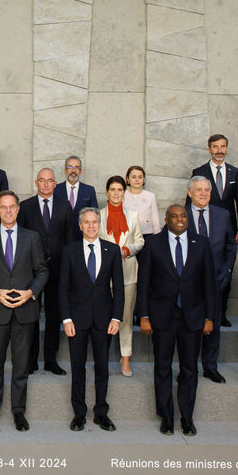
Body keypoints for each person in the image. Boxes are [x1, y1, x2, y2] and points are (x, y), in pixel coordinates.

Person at [136, 204, 217, 436]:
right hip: (162, 316)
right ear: (166, 220)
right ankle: (167, 417)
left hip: (192, 316)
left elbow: (209, 283)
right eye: (174, 216)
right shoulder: (153, 244)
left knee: (189, 368)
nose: (180, 219)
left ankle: (187, 417)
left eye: (183, 216)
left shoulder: (201, 243)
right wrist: (144, 316)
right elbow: (144, 283)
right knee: (162, 367)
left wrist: (210, 317)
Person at [0, 190, 48, 432]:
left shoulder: (32, 237)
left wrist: (31, 292)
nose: (8, 211)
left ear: (18, 209)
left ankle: (18, 412)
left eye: (12, 207)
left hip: (25, 310)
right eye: (3, 207)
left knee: (21, 365)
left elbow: (42, 271)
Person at [59, 208, 124, 432]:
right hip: (76, 320)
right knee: (77, 367)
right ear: (80, 226)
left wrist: (117, 317)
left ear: (100, 224)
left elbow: (119, 288)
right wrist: (66, 318)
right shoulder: (69, 251)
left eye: (94, 222)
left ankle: (101, 413)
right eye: (86, 222)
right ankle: (79, 413)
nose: (91, 226)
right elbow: (63, 288)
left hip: (104, 319)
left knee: (102, 367)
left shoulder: (112, 250)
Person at [18, 167, 75, 376]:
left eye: (50, 180)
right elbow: (21, 240)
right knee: (31, 316)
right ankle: (30, 360)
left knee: (54, 316)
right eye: (42, 180)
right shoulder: (25, 206)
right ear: (36, 182)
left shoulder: (64, 205)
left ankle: (51, 360)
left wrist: (70, 269)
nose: (45, 184)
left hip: (58, 270)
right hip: (32, 271)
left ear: (55, 184)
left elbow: (70, 239)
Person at [185, 177, 237, 384]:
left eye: (207, 189)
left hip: (216, 279)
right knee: (189, 327)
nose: (204, 193)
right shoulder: (180, 215)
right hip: (188, 282)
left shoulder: (222, 215)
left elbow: (231, 245)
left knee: (213, 325)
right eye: (199, 190)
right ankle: (188, 367)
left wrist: (227, 271)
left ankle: (210, 366)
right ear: (190, 193)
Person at [98, 176, 144, 377]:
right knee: (103, 317)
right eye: (113, 189)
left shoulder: (132, 215)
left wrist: (127, 249)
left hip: (128, 274)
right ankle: (102, 357)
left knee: (125, 317)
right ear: (107, 192)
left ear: (124, 192)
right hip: (104, 276)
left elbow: (140, 241)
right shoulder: (99, 216)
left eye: (119, 190)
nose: (116, 193)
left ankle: (125, 357)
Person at [191, 133, 238, 245]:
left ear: (226, 148)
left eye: (223, 146)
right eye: (215, 147)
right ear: (209, 149)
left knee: (229, 254)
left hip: (229, 227)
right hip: (206, 225)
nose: (219, 151)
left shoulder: (235, 172)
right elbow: (191, 201)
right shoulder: (199, 172)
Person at [123, 165, 161, 236]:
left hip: (147, 235)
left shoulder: (150, 196)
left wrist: (157, 237)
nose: (137, 180)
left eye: (140, 177)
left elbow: (155, 220)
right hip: (127, 235)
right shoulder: (122, 195)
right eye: (134, 177)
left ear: (143, 179)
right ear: (128, 179)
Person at [60, 155, 98, 220]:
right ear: (65, 171)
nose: (73, 170)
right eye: (70, 167)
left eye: (77, 167)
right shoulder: (55, 190)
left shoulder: (89, 190)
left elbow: (94, 215)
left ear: (80, 172)